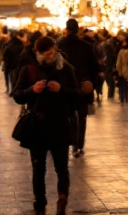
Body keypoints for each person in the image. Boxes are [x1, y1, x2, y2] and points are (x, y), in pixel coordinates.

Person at [12, 35, 78, 215]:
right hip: (38, 126)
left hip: (59, 124)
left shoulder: (65, 68)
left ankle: (62, 198)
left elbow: (77, 94)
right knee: (38, 167)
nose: (50, 55)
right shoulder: (29, 70)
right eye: (46, 53)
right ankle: (39, 202)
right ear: (38, 53)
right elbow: (17, 95)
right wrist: (31, 90)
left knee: (61, 166)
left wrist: (61, 89)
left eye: (52, 51)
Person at [56, 19, 98, 157]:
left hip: (66, 86)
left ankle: (72, 143)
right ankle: (79, 144)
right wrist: (92, 85)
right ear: (78, 29)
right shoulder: (86, 46)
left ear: (66, 29)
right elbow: (94, 67)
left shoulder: (59, 45)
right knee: (82, 116)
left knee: (69, 116)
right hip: (83, 85)